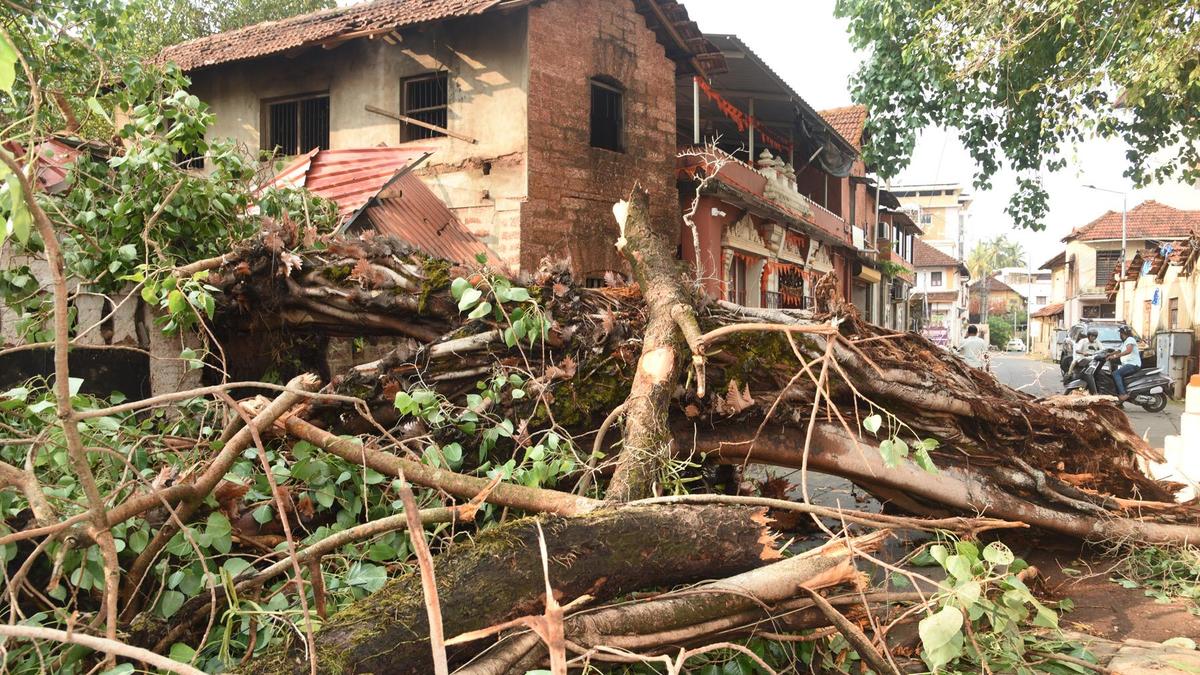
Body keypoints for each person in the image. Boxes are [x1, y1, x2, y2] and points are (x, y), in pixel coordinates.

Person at [1107, 325, 1141, 402]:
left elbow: (1128, 350)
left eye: (1121, 333)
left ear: (1124, 333)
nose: (1120, 335)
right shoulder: (1125, 342)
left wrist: (1115, 356)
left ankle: (1123, 394)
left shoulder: (1130, 339)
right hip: (1128, 364)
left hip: (1133, 364)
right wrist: (1109, 354)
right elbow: (1119, 350)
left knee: (1116, 374)